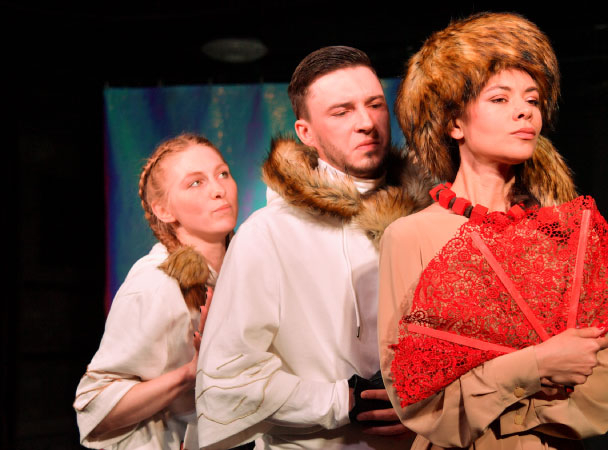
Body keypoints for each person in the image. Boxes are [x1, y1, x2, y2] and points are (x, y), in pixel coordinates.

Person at [378, 12, 608, 449]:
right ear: (454, 123)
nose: (524, 111)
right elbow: (414, 392)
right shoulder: (410, 237)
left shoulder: (564, 236)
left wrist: (497, 396)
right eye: (499, 98)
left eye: (533, 99)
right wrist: (536, 367)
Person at [195, 46, 428, 449]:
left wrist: (432, 403)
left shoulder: (432, 218)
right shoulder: (267, 235)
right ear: (305, 133)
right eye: (342, 112)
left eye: (374, 105)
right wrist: (345, 400)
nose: (366, 123)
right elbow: (227, 379)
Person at [74, 133, 239, 449]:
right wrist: (190, 374)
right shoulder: (154, 284)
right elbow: (94, 404)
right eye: (196, 183)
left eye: (223, 174)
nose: (219, 189)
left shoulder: (241, 273)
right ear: (164, 210)